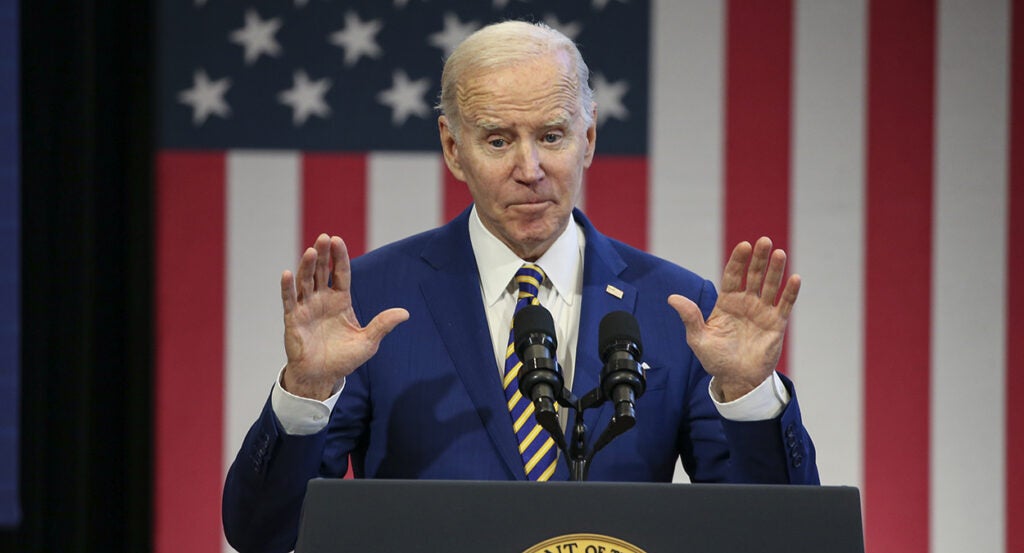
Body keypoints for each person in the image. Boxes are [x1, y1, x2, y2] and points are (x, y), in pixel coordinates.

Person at [222, 20, 818, 553]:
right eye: (499, 140)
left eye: (552, 136)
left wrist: (748, 396)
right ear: (454, 149)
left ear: (587, 140)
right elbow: (265, 535)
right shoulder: (374, 299)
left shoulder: (675, 309)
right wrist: (306, 392)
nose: (530, 169)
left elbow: (782, 537)